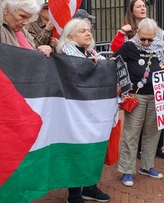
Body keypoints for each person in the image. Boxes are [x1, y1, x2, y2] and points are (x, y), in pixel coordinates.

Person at [110, 0, 164, 160]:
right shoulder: (129, 40)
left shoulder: (156, 34)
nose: (146, 43)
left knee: (154, 127)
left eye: (144, 5)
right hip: (137, 92)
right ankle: (129, 164)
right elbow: (115, 56)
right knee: (133, 130)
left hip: (156, 92)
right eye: (139, 6)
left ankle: (152, 157)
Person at [56, 18, 111, 203]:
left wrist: (104, 65)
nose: (88, 33)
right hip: (74, 112)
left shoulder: (93, 54)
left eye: (89, 30)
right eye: (82, 31)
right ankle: (74, 194)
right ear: (70, 36)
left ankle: (89, 187)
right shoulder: (65, 55)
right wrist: (89, 66)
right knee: (75, 149)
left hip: (93, 111)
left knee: (92, 148)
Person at [112, 18, 164, 187]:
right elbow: (115, 62)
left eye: (150, 39)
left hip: (157, 95)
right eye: (143, 38)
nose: (145, 42)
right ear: (137, 34)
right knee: (131, 133)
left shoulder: (160, 47)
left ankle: (147, 165)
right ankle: (127, 170)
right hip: (136, 96)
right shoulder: (130, 46)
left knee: (152, 133)